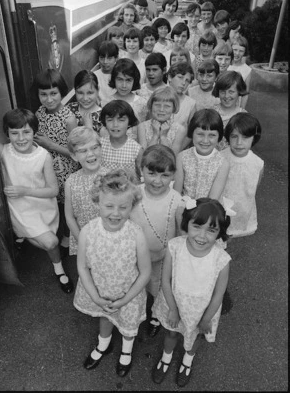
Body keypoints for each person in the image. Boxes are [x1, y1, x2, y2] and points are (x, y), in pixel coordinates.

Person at [73, 169, 151, 377]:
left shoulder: (136, 234)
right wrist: (95, 297)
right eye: (109, 206)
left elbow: (145, 272)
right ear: (97, 202)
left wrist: (126, 299)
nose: (115, 213)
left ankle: (126, 352)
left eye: (123, 207)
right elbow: (82, 267)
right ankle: (103, 345)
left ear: (131, 206)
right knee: (105, 317)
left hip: (128, 294)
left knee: (128, 324)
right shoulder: (88, 232)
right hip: (100, 291)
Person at [151, 197, 232, 387]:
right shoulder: (175, 247)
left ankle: (187, 361)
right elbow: (165, 279)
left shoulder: (222, 259)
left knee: (195, 336)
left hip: (201, 312)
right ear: (187, 223)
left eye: (211, 230)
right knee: (171, 333)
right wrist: (172, 309)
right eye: (197, 226)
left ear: (220, 232)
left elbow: (218, 295)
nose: (202, 236)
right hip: (174, 304)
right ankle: (166, 357)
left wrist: (205, 319)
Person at [0, 108, 73, 293]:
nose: (21, 138)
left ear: (34, 132)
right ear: (7, 134)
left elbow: (53, 190)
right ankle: (59, 269)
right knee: (51, 243)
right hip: (17, 207)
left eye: (26, 132)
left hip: (40, 204)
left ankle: (23, 237)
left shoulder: (43, 155)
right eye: (14, 133)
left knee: (47, 240)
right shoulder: (3, 151)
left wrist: (24, 190)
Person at [130, 145, 183, 338]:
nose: (157, 181)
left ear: (173, 175)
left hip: (162, 256)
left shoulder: (177, 200)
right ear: (142, 169)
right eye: (151, 173)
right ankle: (135, 313)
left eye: (165, 175)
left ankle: (155, 314)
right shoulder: (134, 194)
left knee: (159, 286)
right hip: (135, 255)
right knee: (136, 285)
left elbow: (179, 232)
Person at [33, 68, 79, 254]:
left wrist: (50, 144)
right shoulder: (39, 113)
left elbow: (75, 153)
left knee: (66, 203)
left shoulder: (69, 119)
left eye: (54, 93)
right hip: (47, 167)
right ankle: (53, 231)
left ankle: (68, 234)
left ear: (62, 92)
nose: (49, 99)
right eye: (43, 94)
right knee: (52, 202)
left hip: (66, 169)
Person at [65, 127, 109, 255]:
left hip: (109, 239)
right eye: (83, 151)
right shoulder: (71, 182)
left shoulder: (111, 177)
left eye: (94, 147)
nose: (90, 154)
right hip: (84, 240)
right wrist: (82, 242)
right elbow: (69, 217)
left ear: (101, 148)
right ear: (74, 156)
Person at [221, 112, 264, 237]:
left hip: (243, 211)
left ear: (254, 138)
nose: (239, 142)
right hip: (222, 210)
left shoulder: (258, 163)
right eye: (234, 136)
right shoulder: (221, 158)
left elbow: (254, 188)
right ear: (228, 137)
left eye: (245, 137)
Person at [174, 108, 230, 202]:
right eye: (200, 134)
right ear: (192, 133)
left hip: (208, 212)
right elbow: (176, 193)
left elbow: (213, 199)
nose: (205, 140)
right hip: (183, 209)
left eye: (212, 135)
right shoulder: (182, 157)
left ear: (219, 137)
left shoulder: (223, 164)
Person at [137, 86, 187, 156]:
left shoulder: (180, 129)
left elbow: (173, 157)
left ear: (174, 108)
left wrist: (163, 137)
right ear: (151, 106)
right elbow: (144, 156)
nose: (161, 109)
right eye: (157, 105)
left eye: (167, 106)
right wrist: (155, 135)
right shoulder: (142, 127)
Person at [100, 100, 143, 179]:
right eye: (110, 120)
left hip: (127, 189)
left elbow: (140, 176)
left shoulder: (136, 149)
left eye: (121, 120)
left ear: (129, 122)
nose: (115, 125)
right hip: (104, 189)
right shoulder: (99, 145)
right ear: (104, 122)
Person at [212, 70, 247, 151]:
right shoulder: (211, 112)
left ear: (239, 91)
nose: (226, 96)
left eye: (231, 92)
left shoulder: (243, 116)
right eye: (223, 92)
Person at [108, 58, 148, 125]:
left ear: (134, 80)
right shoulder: (107, 102)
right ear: (114, 79)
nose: (124, 85)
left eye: (128, 80)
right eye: (120, 79)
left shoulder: (142, 103)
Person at [167, 62, 196, 131]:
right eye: (180, 77)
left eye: (187, 80)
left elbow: (191, 131)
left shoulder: (190, 104)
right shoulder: (157, 95)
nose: (183, 83)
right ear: (170, 77)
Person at [228, 35, 251, 109]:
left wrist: (242, 109)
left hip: (236, 105)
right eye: (235, 50)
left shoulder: (247, 70)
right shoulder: (225, 65)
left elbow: (245, 93)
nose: (237, 53)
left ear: (245, 52)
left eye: (241, 51)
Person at [94, 41, 118, 107]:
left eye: (109, 58)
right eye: (102, 58)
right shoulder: (94, 76)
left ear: (116, 58)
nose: (105, 62)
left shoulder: (120, 75)